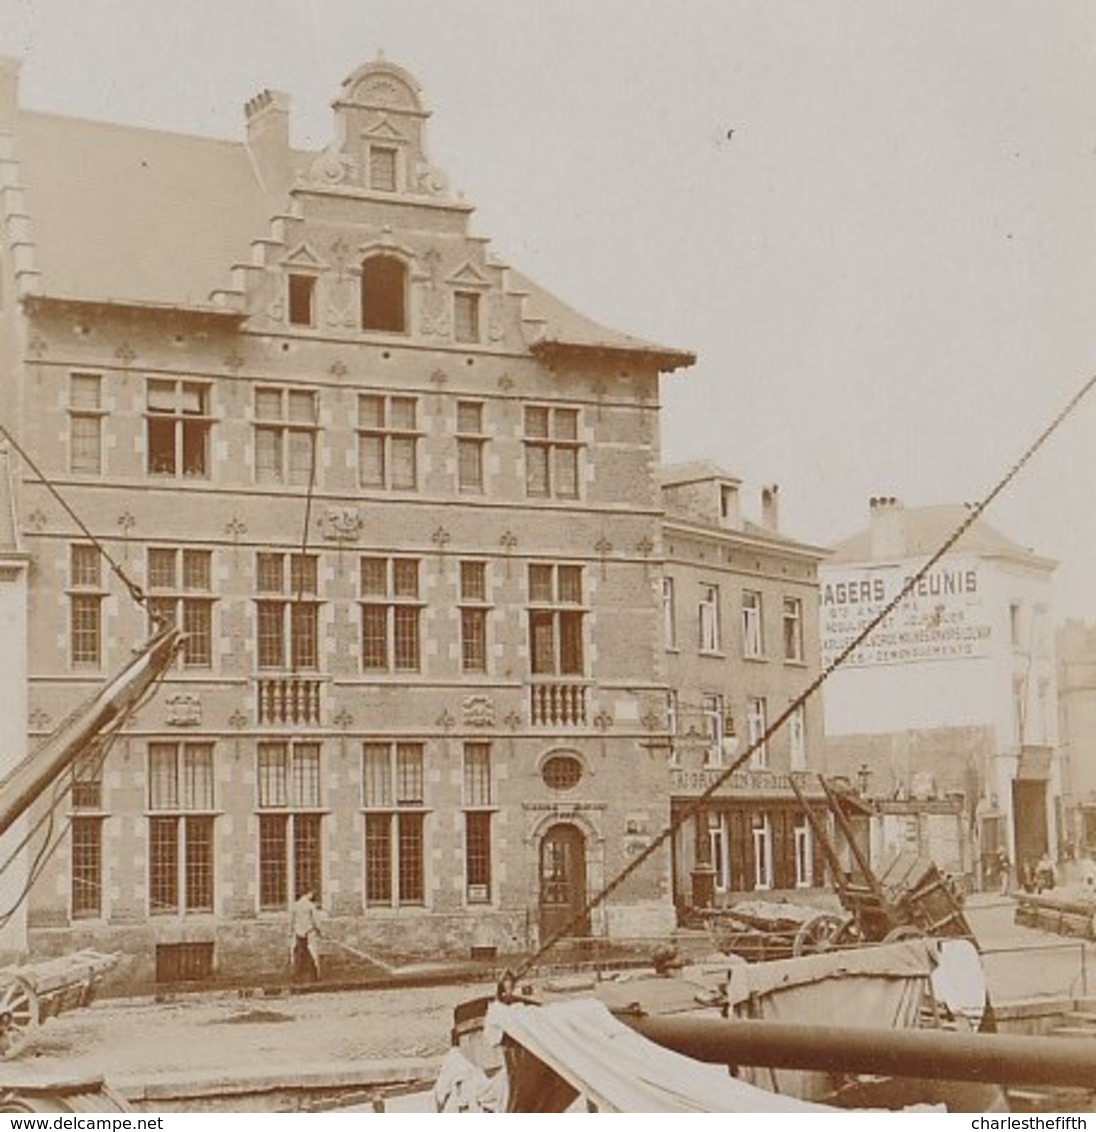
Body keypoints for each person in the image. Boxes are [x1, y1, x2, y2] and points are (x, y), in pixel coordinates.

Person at [290, 890, 322, 982]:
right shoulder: (310, 906)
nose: (312, 896)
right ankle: (315, 976)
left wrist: (291, 931)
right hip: (309, 932)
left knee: (298, 953)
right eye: (311, 894)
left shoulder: (295, 905)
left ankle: (296, 975)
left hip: (298, 933)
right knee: (313, 953)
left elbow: (292, 921)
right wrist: (319, 931)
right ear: (308, 894)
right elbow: (316, 921)